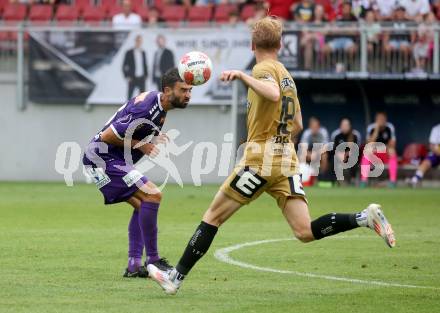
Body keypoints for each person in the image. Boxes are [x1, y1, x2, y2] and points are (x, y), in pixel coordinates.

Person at [147, 16, 395, 295]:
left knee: (213, 216)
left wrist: (243, 76)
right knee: (304, 231)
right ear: (280, 44)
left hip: (260, 160)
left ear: (253, 45)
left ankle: (175, 278)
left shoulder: (263, 69)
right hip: (286, 159)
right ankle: (363, 217)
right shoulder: (287, 75)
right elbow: (298, 124)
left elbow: (273, 94)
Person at [82, 68, 193, 278]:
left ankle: (134, 266)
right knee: (153, 194)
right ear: (168, 90)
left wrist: (151, 137)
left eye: (189, 90)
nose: (188, 95)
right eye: (183, 90)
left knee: (143, 204)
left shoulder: (160, 107)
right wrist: (142, 145)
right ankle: (154, 260)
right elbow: (107, 136)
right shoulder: (147, 108)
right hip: (101, 158)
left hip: (107, 159)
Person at [360, 112, 398, 187]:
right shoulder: (371, 127)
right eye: (379, 119)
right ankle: (363, 181)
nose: (381, 121)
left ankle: (392, 181)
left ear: (385, 120)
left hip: (385, 153)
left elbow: (392, 145)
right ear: (376, 120)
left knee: (392, 151)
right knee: (367, 151)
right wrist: (376, 130)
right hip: (374, 155)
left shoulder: (389, 127)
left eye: (382, 119)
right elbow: (369, 143)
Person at [330, 117, 361, 184]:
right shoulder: (336, 135)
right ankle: (334, 181)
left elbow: (356, 150)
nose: (344, 127)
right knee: (333, 159)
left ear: (350, 126)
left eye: (346, 125)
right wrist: (339, 154)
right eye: (343, 125)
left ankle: (353, 179)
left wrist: (346, 154)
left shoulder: (355, 135)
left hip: (350, 156)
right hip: (339, 156)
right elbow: (333, 149)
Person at [299, 116, 330, 181]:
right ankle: (303, 177)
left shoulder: (323, 132)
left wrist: (316, 154)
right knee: (301, 155)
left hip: (319, 153)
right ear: (310, 127)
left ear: (319, 126)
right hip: (309, 153)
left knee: (325, 155)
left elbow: (326, 147)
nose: (314, 128)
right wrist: (310, 154)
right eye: (313, 126)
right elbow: (303, 148)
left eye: (316, 126)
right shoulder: (307, 133)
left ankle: (321, 177)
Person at [123, 35, 148, 100]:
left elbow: (145, 64)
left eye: (140, 41)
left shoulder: (143, 52)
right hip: (132, 78)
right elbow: (124, 65)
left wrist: (146, 75)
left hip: (141, 78)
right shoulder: (129, 52)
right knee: (129, 97)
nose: (139, 42)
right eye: (138, 41)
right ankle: (128, 110)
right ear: (135, 41)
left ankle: (141, 110)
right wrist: (127, 76)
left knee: (142, 98)